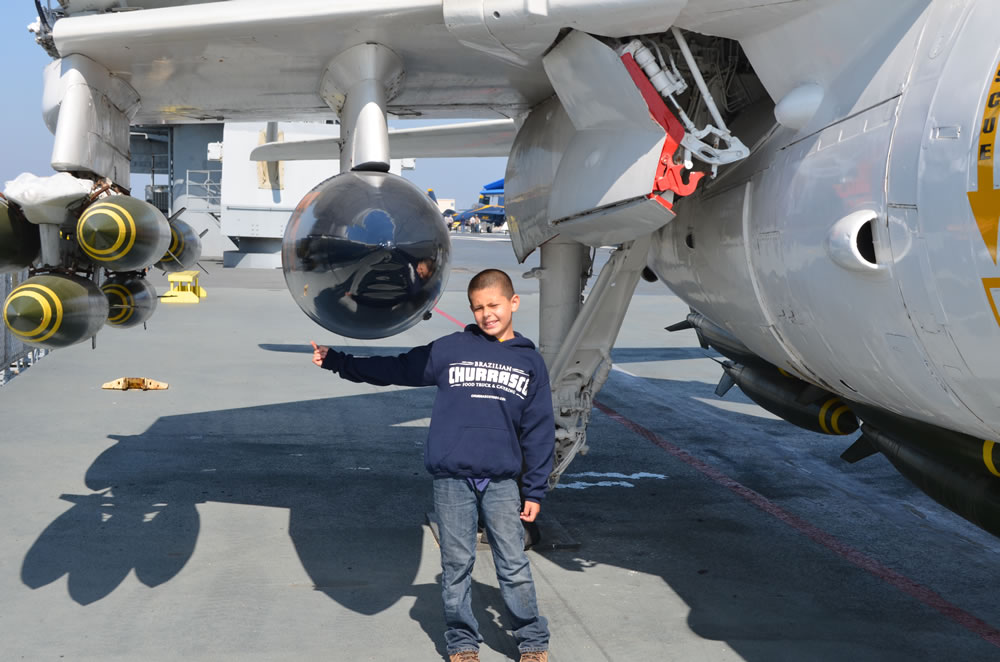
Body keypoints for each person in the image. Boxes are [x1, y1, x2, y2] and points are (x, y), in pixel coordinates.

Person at [311, 269, 553, 662]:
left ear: (513, 303)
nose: (487, 314)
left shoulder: (530, 362)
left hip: (502, 482)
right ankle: (462, 643)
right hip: (452, 478)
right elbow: (396, 369)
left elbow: (539, 430)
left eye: (493, 305)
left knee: (513, 564)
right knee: (457, 564)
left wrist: (535, 490)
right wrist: (340, 361)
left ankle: (532, 641)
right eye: (478, 307)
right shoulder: (450, 350)